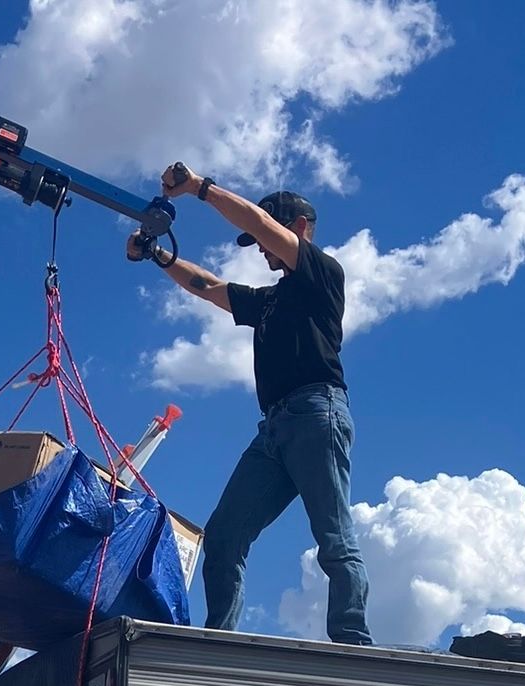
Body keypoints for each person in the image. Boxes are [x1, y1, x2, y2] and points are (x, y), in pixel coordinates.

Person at [127, 164, 372, 645]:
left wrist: (200, 188)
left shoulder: (322, 273)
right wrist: (157, 254)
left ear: (297, 228)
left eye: (267, 238)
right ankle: (219, 645)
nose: (260, 249)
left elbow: (260, 226)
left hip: (317, 413)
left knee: (334, 538)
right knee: (223, 537)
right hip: (275, 429)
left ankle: (352, 641)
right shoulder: (269, 302)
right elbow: (209, 286)